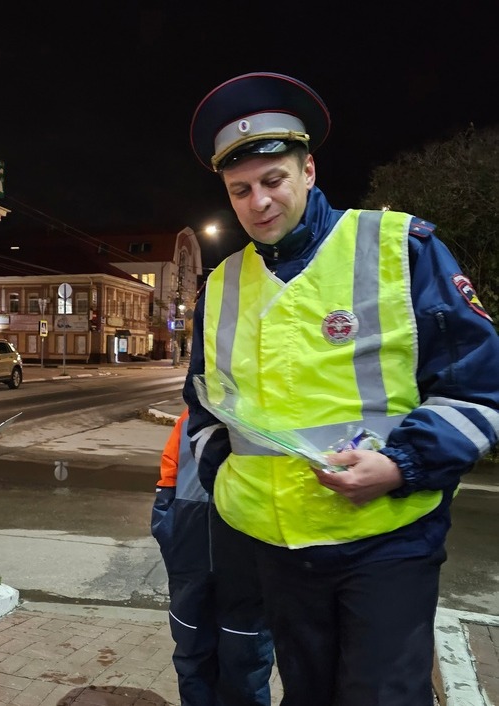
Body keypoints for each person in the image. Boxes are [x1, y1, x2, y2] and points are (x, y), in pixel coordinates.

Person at [183, 72, 499, 706]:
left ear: (308, 171)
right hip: (277, 547)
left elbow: (477, 389)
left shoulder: (400, 247)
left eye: (274, 181)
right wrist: (222, 475)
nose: (258, 202)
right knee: (308, 694)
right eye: (240, 190)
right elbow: (205, 405)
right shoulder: (220, 284)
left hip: (385, 539)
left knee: (380, 695)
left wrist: (401, 464)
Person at [151, 408, 273, 706]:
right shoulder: (190, 416)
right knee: (193, 657)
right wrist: (168, 529)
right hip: (191, 559)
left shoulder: (269, 409)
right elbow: (169, 480)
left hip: (248, 566)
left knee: (245, 662)